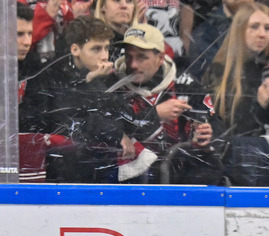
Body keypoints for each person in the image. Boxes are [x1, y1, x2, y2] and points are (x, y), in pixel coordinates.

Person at [205, 1, 269, 185]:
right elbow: (230, 135)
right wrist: (260, 104)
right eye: (254, 27)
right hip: (234, 169)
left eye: (268, 28)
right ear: (240, 30)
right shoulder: (219, 71)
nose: (262, 34)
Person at [20, 16, 129, 183]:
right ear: (75, 49)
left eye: (106, 48)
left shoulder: (104, 76)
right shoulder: (48, 76)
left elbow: (121, 117)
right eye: (96, 49)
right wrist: (88, 83)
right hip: (58, 172)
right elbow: (66, 123)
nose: (105, 56)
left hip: (95, 166)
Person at [114, 24, 219, 183]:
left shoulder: (186, 85)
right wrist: (155, 115)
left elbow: (217, 129)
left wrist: (202, 138)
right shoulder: (112, 84)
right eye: (129, 56)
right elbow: (109, 132)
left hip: (179, 179)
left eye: (142, 57)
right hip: (129, 182)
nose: (133, 64)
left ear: (160, 59)